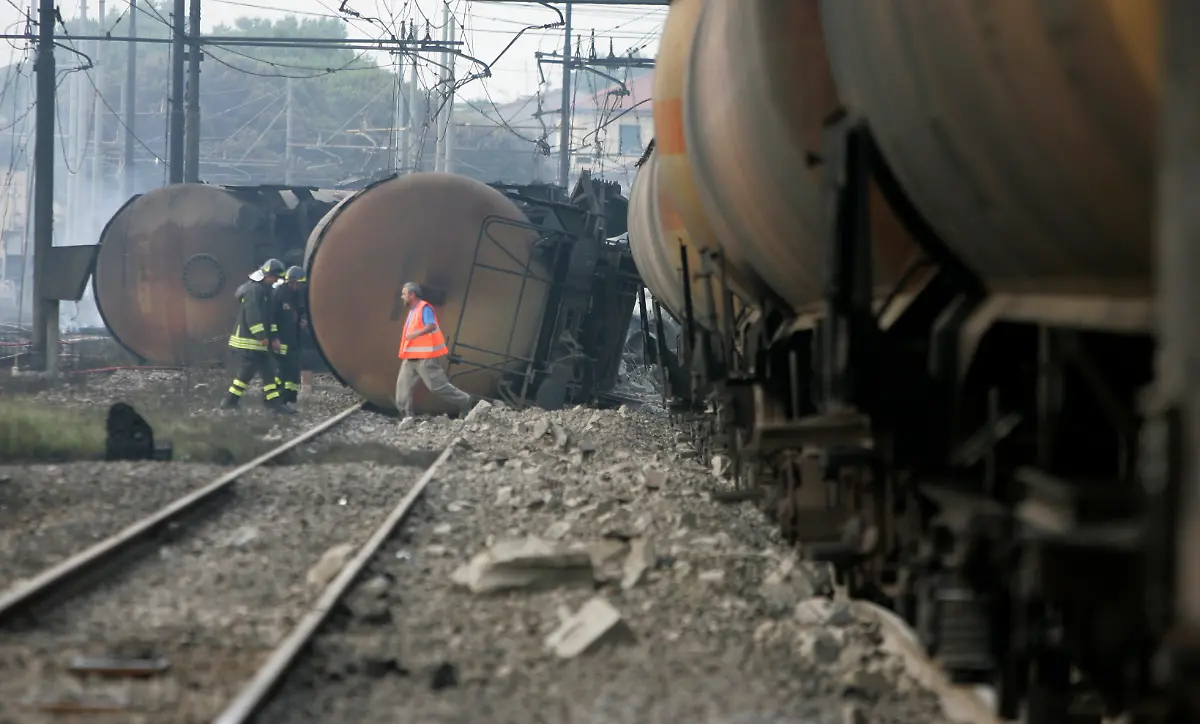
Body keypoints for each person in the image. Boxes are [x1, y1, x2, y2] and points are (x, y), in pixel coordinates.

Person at [220, 259, 294, 414]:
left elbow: (269, 317)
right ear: (268, 275)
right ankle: (230, 401)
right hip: (249, 342)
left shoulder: (265, 290)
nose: (276, 281)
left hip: (259, 343)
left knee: (267, 372)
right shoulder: (254, 290)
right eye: (275, 277)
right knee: (247, 374)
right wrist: (261, 335)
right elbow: (253, 316)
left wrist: (273, 336)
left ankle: (273, 403)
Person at [394, 281, 472, 420]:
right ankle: (406, 417)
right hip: (411, 356)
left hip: (425, 357)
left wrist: (415, 334)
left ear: (412, 295)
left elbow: (431, 325)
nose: (402, 297)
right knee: (403, 387)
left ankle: (464, 400)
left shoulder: (424, 308)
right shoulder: (412, 311)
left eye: (404, 294)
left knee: (437, 386)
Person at [270, 265, 307, 405]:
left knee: (293, 369)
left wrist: (302, 321)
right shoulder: (279, 293)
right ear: (290, 281)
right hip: (282, 338)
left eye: (300, 284)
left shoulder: (297, 294)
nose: (298, 286)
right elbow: (271, 317)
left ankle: (290, 397)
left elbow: (300, 311)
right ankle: (278, 398)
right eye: (297, 283)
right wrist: (274, 337)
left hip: (294, 338)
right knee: (283, 369)